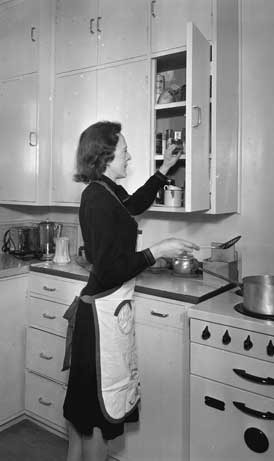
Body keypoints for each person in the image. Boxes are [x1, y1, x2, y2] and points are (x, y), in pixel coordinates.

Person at [62, 121, 199, 461]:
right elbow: (108, 270)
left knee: (86, 416)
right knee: (95, 419)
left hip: (105, 312)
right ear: (106, 156)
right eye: (124, 151)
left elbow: (133, 205)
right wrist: (157, 251)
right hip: (99, 322)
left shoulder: (107, 190)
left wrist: (164, 169)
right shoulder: (95, 197)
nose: (129, 155)